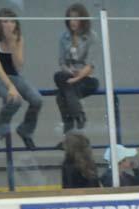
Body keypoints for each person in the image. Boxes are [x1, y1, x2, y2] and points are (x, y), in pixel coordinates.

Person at [0, 8, 41, 151]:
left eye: (12, 21)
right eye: (5, 21)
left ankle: (25, 130)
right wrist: (10, 87)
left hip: (15, 76)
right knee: (14, 101)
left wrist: (13, 44)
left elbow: (19, 66)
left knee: (37, 99)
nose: (9, 25)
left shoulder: (19, 38)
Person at [54, 3, 99, 138]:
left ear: (83, 20)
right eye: (71, 18)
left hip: (87, 78)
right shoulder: (64, 37)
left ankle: (68, 138)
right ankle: (79, 115)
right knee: (58, 76)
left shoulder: (92, 36)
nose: (73, 22)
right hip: (69, 76)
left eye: (76, 18)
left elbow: (91, 64)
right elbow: (61, 61)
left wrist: (77, 77)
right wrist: (69, 71)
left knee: (61, 97)